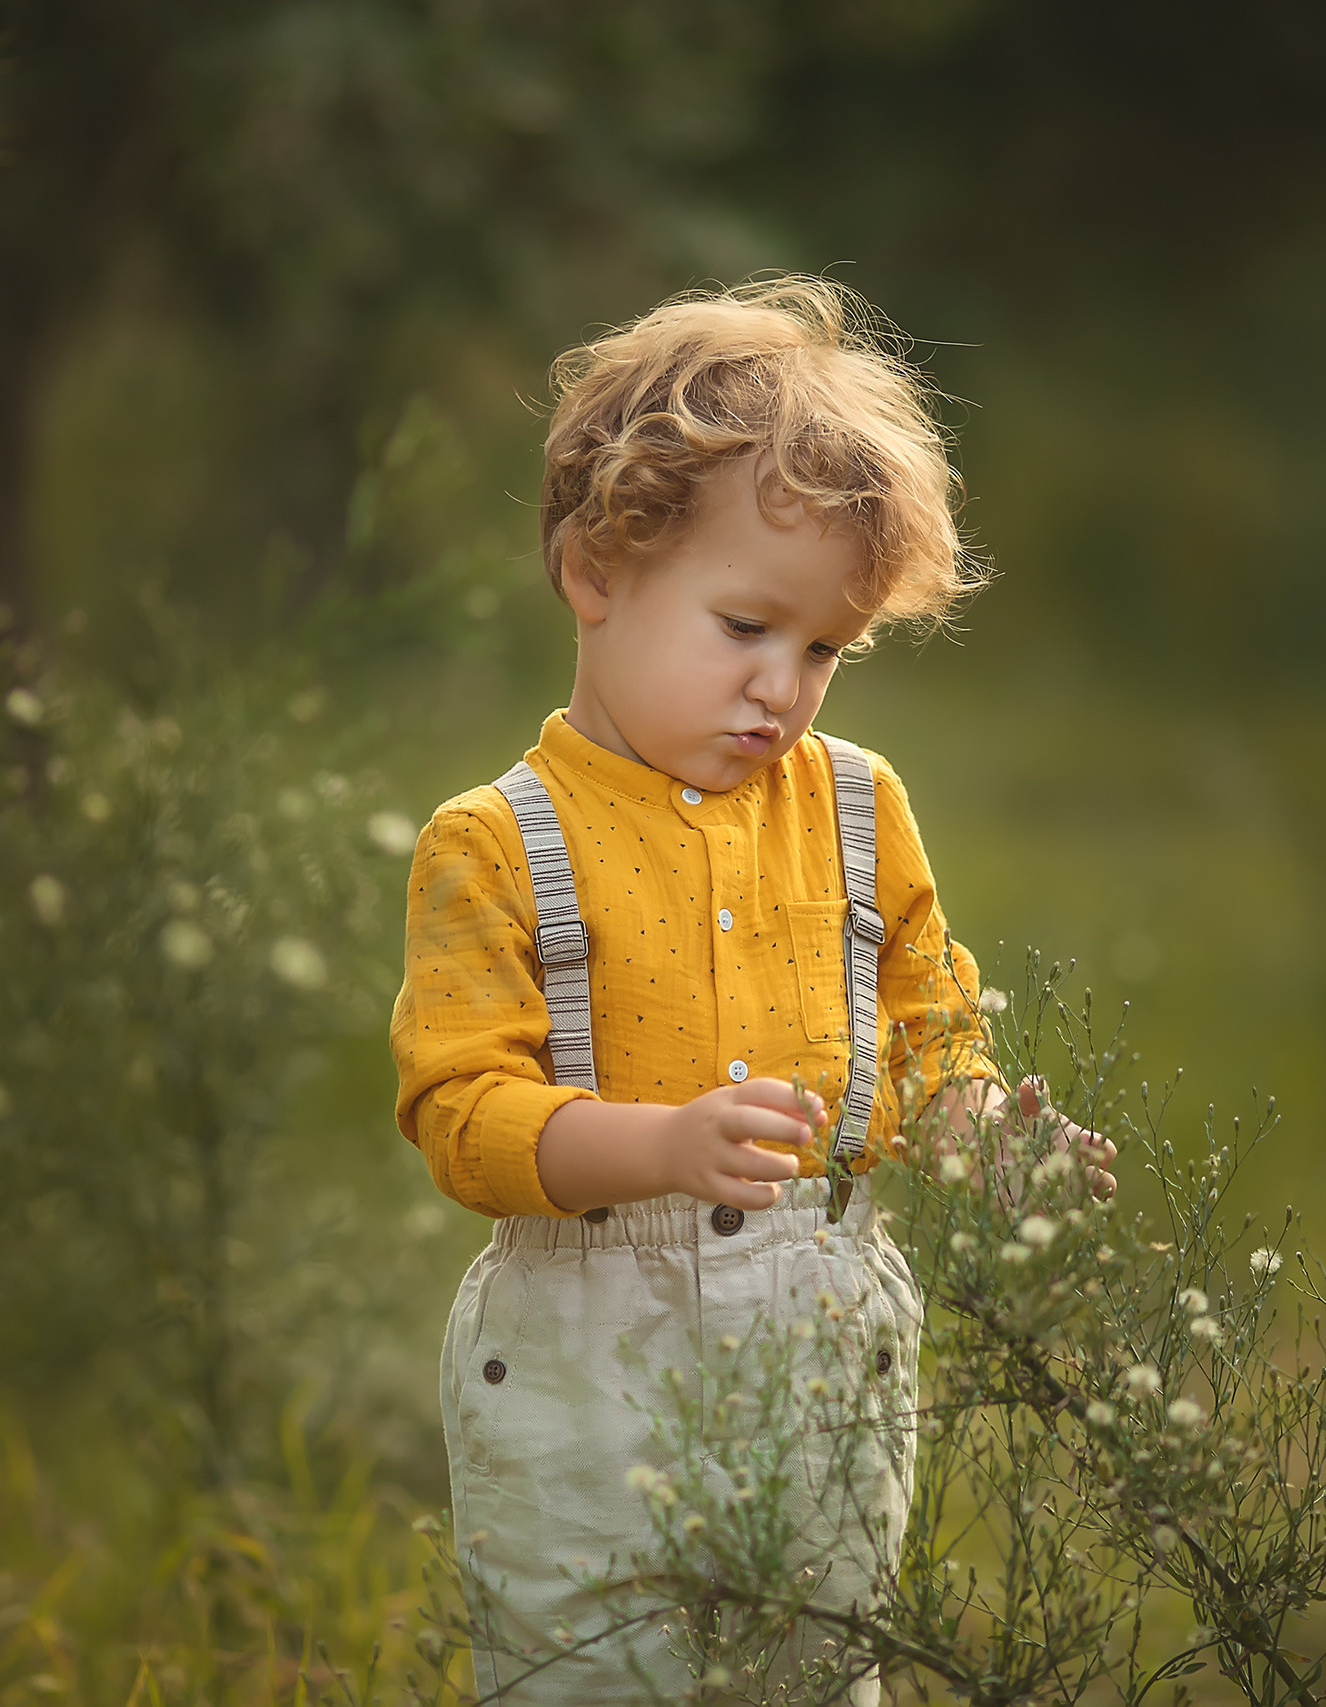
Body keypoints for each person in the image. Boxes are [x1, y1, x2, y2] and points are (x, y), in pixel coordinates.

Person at [391, 276, 1113, 1704]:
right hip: (591, 1356)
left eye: (824, 650)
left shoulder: (853, 807)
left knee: (813, 1664)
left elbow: (918, 1033)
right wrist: (658, 1146)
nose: (781, 688)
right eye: (744, 629)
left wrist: (978, 1129)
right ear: (597, 572)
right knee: (593, 1672)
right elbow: (462, 1114)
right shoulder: (495, 844)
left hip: (817, 1328)